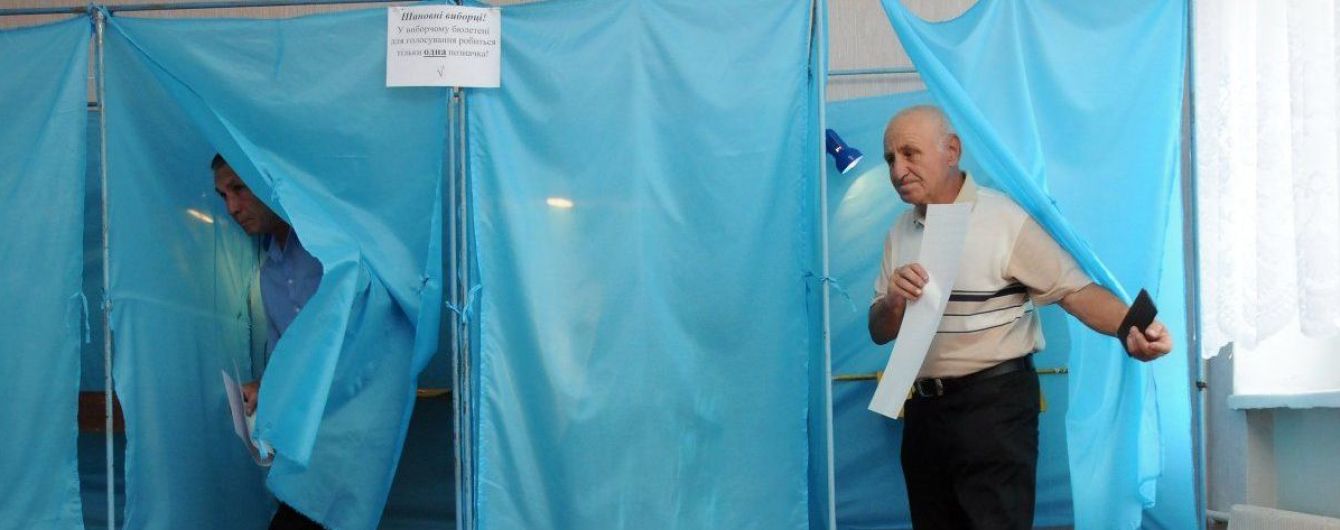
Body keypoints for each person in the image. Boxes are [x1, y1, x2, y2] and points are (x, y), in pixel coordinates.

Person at [866, 106, 1172, 529]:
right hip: (923, 413)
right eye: (890, 159)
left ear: (951, 150)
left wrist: (1130, 327)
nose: (897, 170)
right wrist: (893, 302)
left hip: (993, 406)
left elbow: (1073, 289)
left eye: (909, 153)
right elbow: (879, 331)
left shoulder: (1003, 218)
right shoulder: (899, 231)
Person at [212, 154, 325, 530]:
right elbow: (286, 358)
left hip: (343, 440)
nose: (231, 208)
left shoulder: (328, 253)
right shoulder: (269, 274)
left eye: (238, 189)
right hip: (303, 451)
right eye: (223, 196)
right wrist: (264, 387)